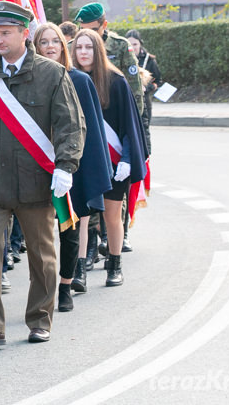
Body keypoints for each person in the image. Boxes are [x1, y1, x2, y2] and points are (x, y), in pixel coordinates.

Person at [0, 2, 84, 347]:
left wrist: (65, 166)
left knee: (42, 255)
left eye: (5, 33)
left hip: (36, 180)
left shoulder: (51, 74)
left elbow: (70, 126)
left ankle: (40, 319)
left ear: (24, 34)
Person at [32, 23, 112, 311]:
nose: (51, 46)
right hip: (37, 165)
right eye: (44, 42)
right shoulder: (28, 79)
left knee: (69, 228)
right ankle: (42, 291)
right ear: (36, 47)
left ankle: (66, 286)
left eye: (55, 41)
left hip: (69, 167)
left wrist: (83, 168)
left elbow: (89, 130)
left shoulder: (78, 80)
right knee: (39, 234)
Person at [71, 29, 147, 287]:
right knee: (81, 217)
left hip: (114, 162)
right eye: (79, 47)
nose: (83, 52)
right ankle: (78, 269)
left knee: (113, 216)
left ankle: (114, 264)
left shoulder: (117, 81)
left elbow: (129, 125)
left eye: (88, 47)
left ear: (98, 50)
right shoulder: (69, 80)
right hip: (83, 160)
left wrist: (126, 159)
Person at [75, 2, 144, 115]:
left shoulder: (121, 46)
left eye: (93, 30)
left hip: (113, 109)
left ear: (104, 25)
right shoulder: (72, 47)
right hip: (83, 111)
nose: (87, 34)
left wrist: (134, 116)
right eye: (82, 30)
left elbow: (133, 85)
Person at [125, 30, 162, 153]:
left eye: (135, 44)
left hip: (144, 101)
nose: (133, 47)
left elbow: (158, 80)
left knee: (143, 131)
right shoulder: (122, 59)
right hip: (127, 100)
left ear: (140, 44)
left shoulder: (149, 60)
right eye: (129, 44)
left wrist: (149, 87)